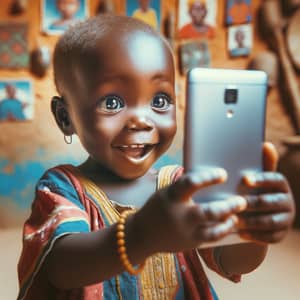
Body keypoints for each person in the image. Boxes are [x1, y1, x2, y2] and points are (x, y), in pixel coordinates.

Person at [17, 14, 295, 300]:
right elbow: (61, 268)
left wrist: (254, 230)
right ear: (65, 117)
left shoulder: (183, 185)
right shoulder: (62, 187)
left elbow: (231, 261)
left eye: (159, 101)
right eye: (112, 102)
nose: (141, 121)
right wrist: (141, 234)